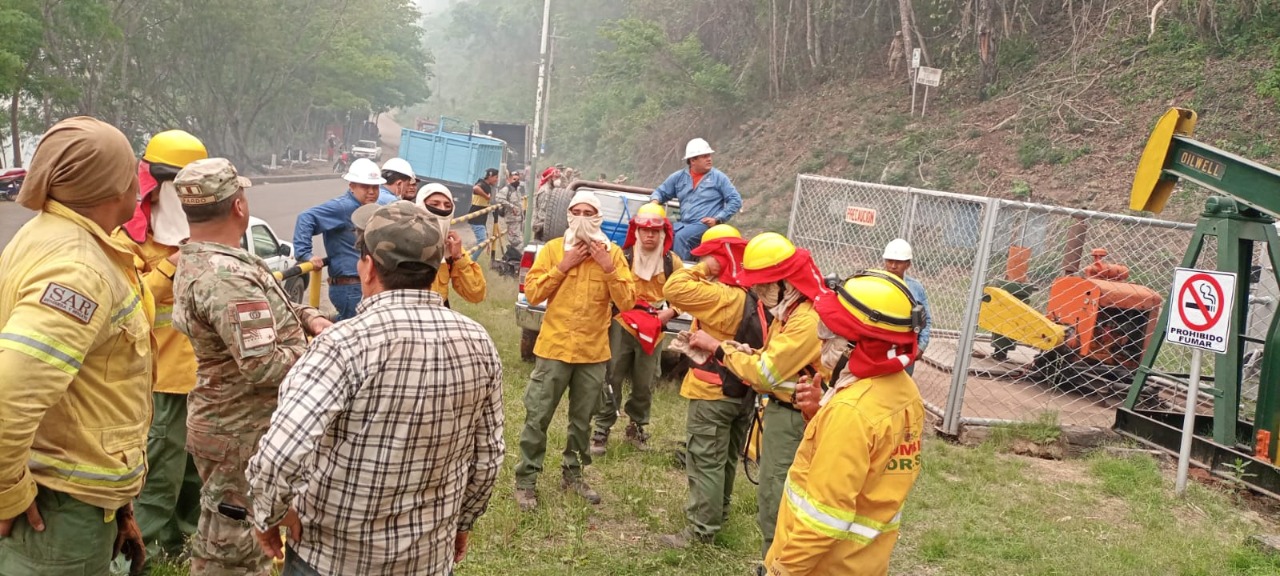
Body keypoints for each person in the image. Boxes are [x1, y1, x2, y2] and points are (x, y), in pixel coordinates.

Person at [247, 201, 504, 575]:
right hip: (428, 559)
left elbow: (280, 453)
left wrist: (267, 514)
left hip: (333, 560)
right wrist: (462, 524)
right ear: (435, 270)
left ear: (367, 268)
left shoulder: (344, 345)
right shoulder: (478, 341)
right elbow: (489, 456)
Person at [0, 117, 150, 574]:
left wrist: (118, 505)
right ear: (110, 186)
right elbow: (9, 396)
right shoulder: (78, 271)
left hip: (73, 498)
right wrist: (7, 494)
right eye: (131, 172)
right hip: (56, 513)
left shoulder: (52, 234)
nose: (138, 183)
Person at [171, 158, 330, 576]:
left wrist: (308, 317)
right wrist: (322, 353)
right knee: (233, 548)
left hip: (234, 424)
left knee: (239, 537)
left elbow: (266, 308)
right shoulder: (226, 278)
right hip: (238, 430)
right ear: (238, 206)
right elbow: (262, 366)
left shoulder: (215, 260)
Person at [765, 271, 925, 575]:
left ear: (859, 345)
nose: (822, 338)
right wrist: (820, 413)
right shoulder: (905, 391)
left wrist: (780, 571)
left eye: (832, 330)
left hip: (821, 567)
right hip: (863, 564)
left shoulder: (851, 412)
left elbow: (823, 522)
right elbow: (870, 465)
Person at [685, 232, 829, 563]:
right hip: (784, 412)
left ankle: (777, 566)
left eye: (766, 285)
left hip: (793, 418)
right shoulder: (790, 312)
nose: (760, 293)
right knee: (772, 495)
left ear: (787, 281)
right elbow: (777, 359)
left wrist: (718, 348)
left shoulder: (805, 320)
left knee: (777, 499)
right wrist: (750, 352)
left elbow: (766, 374)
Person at [119, 129, 209, 570]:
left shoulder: (210, 238)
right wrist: (173, 265)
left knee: (193, 471)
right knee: (160, 471)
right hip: (160, 379)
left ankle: (182, 541)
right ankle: (145, 550)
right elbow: (134, 300)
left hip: (202, 376)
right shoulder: (130, 240)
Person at [515, 191, 636, 511]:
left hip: (592, 352)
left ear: (599, 217)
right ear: (568, 215)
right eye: (576, 211)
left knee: (582, 420)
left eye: (589, 212)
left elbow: (627, 303)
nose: (582, 217)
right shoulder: (554, 250)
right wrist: (564, 265)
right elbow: (533, 293)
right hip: (554, 348)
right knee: (538, 416)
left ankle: (573, 474)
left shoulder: (613, 253)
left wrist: (608, 267)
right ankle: (526, 480)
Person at [658, 224, 755, 548]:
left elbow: (674, 287)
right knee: (726, 458)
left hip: (713, 391)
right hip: (742, 390)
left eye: (709, 257)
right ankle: (717, 514)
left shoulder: (722, 296)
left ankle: (700, 531)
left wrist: (703, 268)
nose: (704, 263)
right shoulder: (752, 294)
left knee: (704, 461)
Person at [590, 203, 682, 455]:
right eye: (644, 230)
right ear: (637, 231)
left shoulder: (671, 262)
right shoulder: (623, 256)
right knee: (612, 376)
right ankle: (602, 428)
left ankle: (637, 426)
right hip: (622, 324)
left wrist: (671, 312)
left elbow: (686, 294)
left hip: (654, 328)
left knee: (646, 381)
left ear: (663, 233)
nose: (649, 235)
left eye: (655, 231)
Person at [294, 157, 393, 321]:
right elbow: (306, 218)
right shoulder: (343, 207)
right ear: (352, 186)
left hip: (362, 284)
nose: (371, 191)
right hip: (349, 287)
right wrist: (306, 254)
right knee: (360, 330)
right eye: (365, 186)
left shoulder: (368, 209)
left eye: (375, 187)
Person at [649, 138, 743, 260]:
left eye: (709, 155)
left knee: (681, 237)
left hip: (705, 225)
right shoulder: (679, 177)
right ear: (692, 160)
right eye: (704, 156)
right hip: (684, 224)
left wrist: (718, 219)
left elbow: (735, 200)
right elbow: (660, 192)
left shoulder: (718, 177)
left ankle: (681, 273)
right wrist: (654, 204)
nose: (709, 159)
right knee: (661, 234)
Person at [413, 183, 487, 306]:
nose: (441, 209)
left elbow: (476, 293)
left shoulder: (451, 246)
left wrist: (458, 258)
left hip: (439, 316)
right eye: (434, 204)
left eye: (447, 205)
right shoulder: (406, 241)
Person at [882, 239, 931, 376]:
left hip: (905, 346)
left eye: (898, 262)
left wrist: (921, 346)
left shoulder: (915, 288)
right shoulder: (876, 283)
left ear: (908, 264)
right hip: (879, 344)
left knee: (900, 385)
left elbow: (925, 318)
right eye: (889, 261)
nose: (892, 265)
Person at [496, 169, 526, 268]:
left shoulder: (517, 190)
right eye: (514, 179)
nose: (516, 181)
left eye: (518, 179)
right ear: (509, 179)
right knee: (517, 241)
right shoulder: (506, 190)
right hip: (512, 220)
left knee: (517, 242)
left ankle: (514, 262)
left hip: (518, 220)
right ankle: (514, 262)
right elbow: (499, 198)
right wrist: (510, 206)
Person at [468, 168, 499, 260]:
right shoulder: (482, 184)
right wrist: (486, 196)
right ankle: (470, 261)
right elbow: (475, 188)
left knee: (483, 242)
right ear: (490, 176)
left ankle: (470, 260)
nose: (497, 180)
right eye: (496, 177)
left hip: (481, 218)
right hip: (476, 218)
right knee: (482, 241)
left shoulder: (487, 185)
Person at [532, 166, 565, 242]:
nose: (558, 180)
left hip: (549, 227)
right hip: (542, 229)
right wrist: (548, 226)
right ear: (550, 178)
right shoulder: (545, 191)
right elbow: (542, 214)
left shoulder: (553, 189)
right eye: (555, 177)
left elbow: (565, 187)